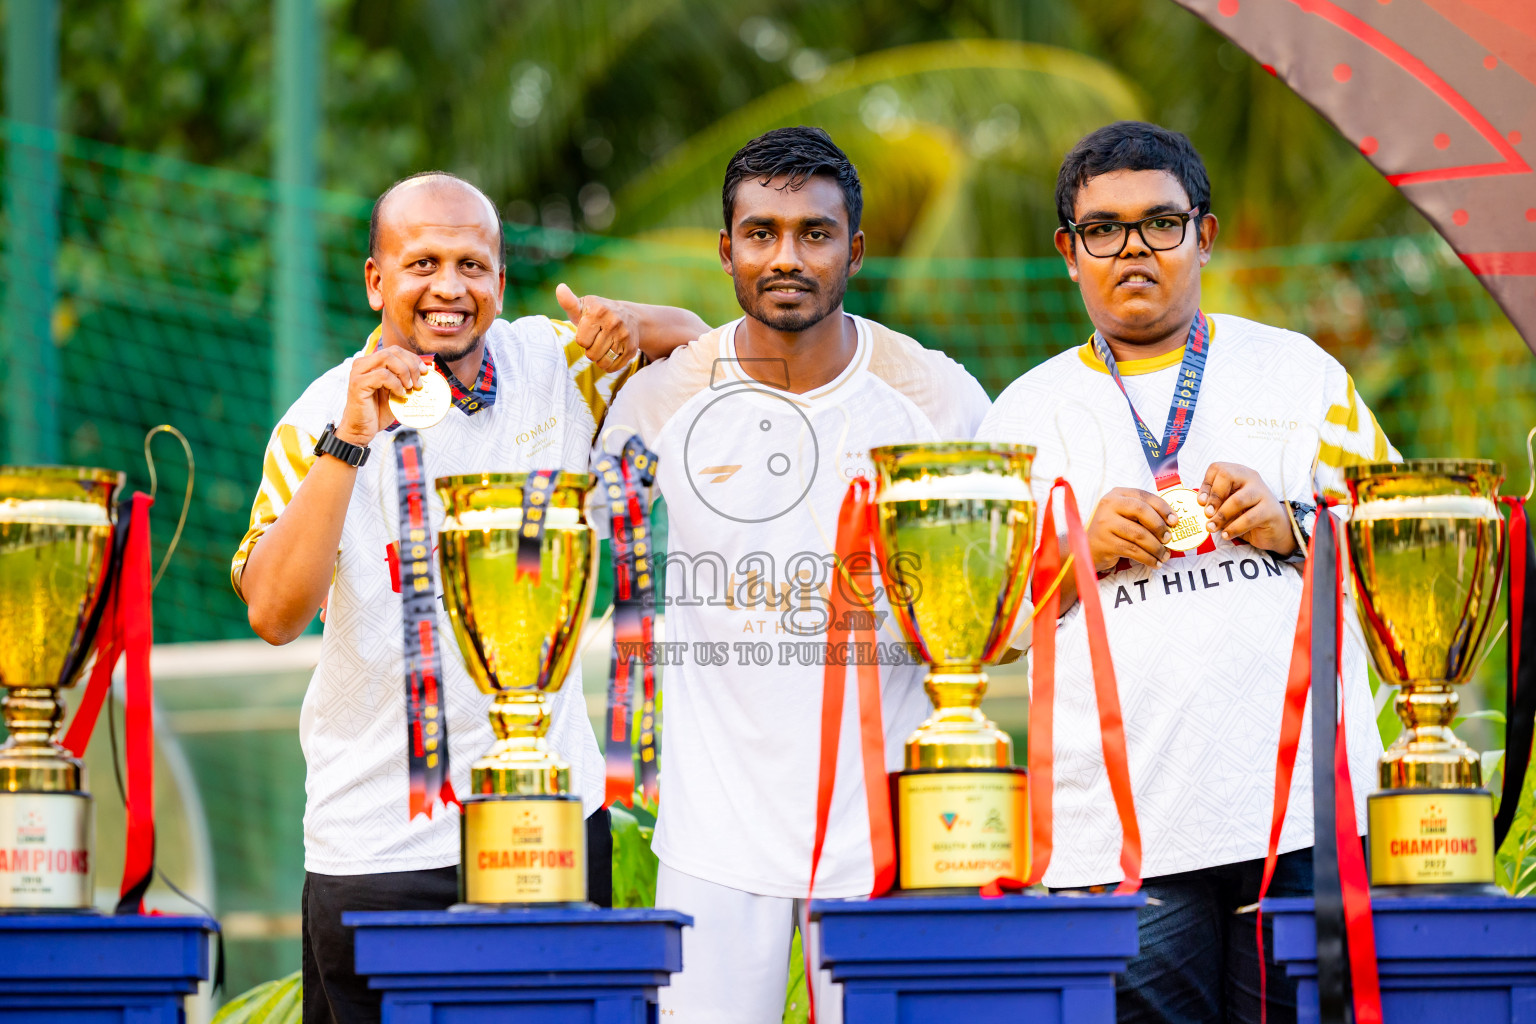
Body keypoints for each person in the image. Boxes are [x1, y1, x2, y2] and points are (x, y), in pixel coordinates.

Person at [231, 171, 708, 1024]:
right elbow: (273, 614)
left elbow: (705, 355)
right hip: (381, 844)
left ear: (499, 279)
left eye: (472, 265)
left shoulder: (553, 365)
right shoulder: (318, 419)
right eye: (422, 263)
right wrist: (352, 438)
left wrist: (638, 323)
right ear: (376, 280)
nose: (449, 287)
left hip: (552, 827)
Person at [976, 121, 1397, 1024]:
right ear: (1069, 253)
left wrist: (1297, 526)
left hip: (1304, 821)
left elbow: (1405, 568)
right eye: (1103, 229)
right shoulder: (1023, 414)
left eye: (1160, 223)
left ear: (1203, 235)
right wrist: (1070, 555)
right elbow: (977, 632)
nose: (1133, 249)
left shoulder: (1300, 375)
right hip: (1117, 840)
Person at [595, 126, 990, 1023]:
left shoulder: (936, 396)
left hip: (891, 826)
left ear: (855, 249)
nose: (786, 256)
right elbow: (572, 539)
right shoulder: (661, 399)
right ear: (725, 249)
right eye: (761, 233)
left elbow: (1005, 585)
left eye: (814, 233)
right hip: (714, 826)